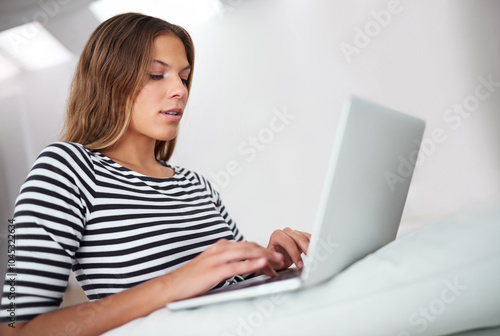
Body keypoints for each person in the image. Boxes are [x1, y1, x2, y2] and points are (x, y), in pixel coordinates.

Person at [0, 12, 310, 336]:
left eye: (184, 77)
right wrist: (172, 285)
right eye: (156, 74)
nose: (180, 89)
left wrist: (269, 261)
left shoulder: (197, 184)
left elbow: (235, 282)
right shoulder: (67, 169)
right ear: (110, 82)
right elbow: (15, 328)